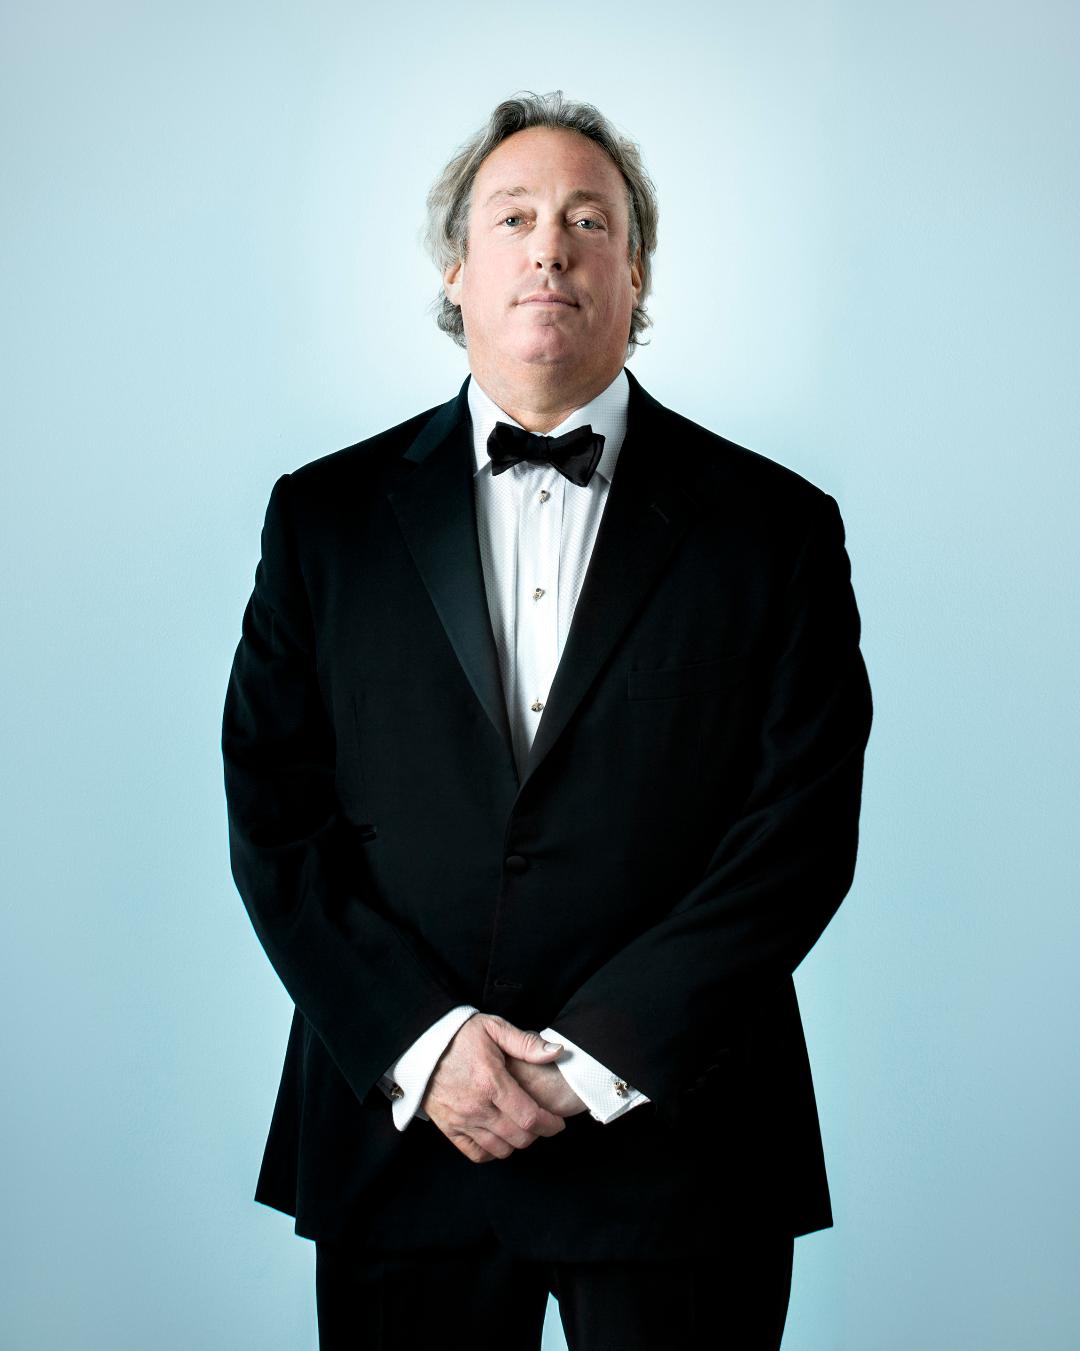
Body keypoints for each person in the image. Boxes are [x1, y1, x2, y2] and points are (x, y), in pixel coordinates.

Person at [222, 90, 873, 1351]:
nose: (550, 245)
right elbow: (274, 816)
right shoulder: (324, 520)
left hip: (685, 1141)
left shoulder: (777, 528)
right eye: (513, 216)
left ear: (636, 275)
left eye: (590, 220)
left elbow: (797, 833)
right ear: (457, 271)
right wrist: (428, 1046)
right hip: (403, 1140)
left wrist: (594, 1059)